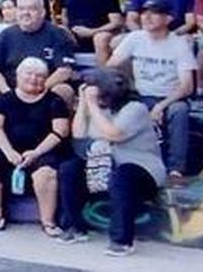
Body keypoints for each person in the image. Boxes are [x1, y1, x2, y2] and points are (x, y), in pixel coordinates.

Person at [58, 69, 166, 255]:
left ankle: (121, 241)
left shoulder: (135, 108)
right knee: (70, 168)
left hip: (142, 168)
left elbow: (113, 134)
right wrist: (84, 104)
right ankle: (75, 228)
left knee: (123, 176)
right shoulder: (99, 108)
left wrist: (92, 105)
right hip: (106, 165)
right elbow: (78, 134)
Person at [106, 0, 194, 188]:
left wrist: (161, 106)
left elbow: (187, 86)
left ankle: (176, 170)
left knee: (179, 111)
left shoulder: (179, 44)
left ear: (168, 18)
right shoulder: (135, 38)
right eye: (144, 12)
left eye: (154, 13)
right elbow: (111, 66)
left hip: (170, 97)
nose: (146, 17)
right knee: (130, 110)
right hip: (140, 95)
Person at [0, 57, 70, 233]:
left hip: (44, 150)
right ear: (18, 76)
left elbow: (61, 131)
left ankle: (48, 222)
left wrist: (36, 152)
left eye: (39, 75)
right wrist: (8, 151)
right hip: (10, 149)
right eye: (29, 74)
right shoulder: (5, 100)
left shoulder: (55, 101)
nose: (33, 79)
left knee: (45, 172)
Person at [0, 0, 76, 102]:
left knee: (64, 90)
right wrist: (8, 93)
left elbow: (64, 71)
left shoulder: (58, 34)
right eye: (21, 9)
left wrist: (37, 90)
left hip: (45, 89)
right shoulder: (5, 35)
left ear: (42, 12)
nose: (25, 13)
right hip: (11, 89)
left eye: (31, 9)